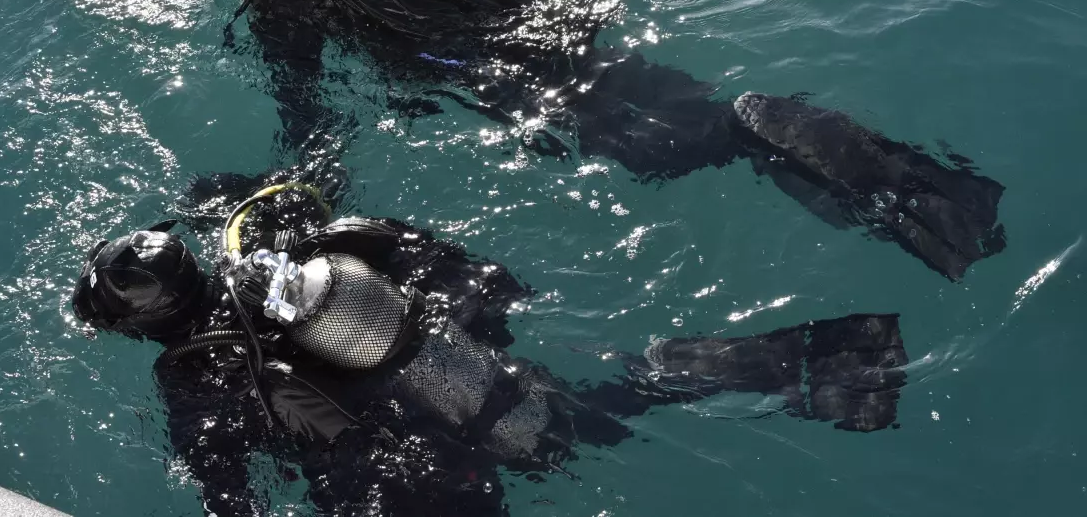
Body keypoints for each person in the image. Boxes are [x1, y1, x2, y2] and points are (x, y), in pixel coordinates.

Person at [165, 0, 1006, 280]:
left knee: (660, 144)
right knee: (655, 100)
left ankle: (774, 138)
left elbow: (302, 87)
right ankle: (856, 166)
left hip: (494, 58)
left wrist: (302, 172)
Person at [72, 171, 910, 517]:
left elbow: (231, 502)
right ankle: (831, 358)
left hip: (424, 484)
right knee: (614, 401)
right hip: (480, 386)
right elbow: (416, 254)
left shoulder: (195, 383)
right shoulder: (293, 261)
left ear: (144, 324)